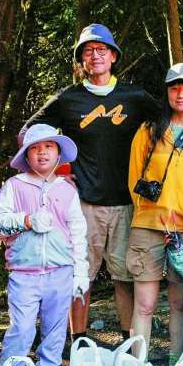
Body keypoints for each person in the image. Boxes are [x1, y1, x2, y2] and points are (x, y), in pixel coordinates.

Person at [23, 23, 158, 345]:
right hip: (84, 203)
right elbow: (31, 133)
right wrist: (56, 172)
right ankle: (80, 342)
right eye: (87, 51)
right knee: (80, 277)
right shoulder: (69, 99)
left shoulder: (135, 97)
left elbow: (170, 127)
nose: (95, 56)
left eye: (101, 50)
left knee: (125, 277)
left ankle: (128, 342)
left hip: (128, 202)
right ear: (80, 60)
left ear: (113, 56)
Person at [127, 63, 183, 365]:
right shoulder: (148, 131)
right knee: (144, 303)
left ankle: (176, 365)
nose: (181, 94)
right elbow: (133, 179)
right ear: (167, 92)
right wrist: (148, 212)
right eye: (175, 87)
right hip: (149, 225)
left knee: (180, 303)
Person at [0, 124, 89, 366]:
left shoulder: (67, 190)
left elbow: (78, 232)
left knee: (55, 328)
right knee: (22, 327)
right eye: (35, 148)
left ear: (58, 154)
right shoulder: (15, 185)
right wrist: (26, 220)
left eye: (48, 147)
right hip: (25, 272)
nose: (42, 153)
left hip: (60, 270)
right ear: (26, 155)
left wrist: (81, 273)